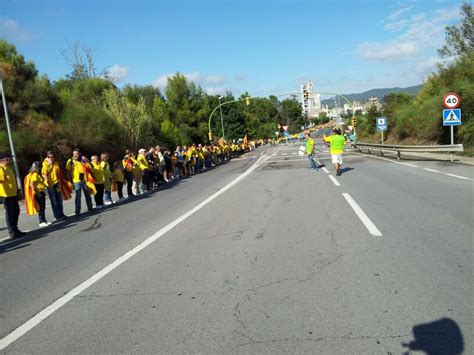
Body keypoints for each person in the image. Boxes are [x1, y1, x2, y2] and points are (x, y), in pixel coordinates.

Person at [0, 152, 24, 238]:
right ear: (5, 159)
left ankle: (15, 229)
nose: (10, 160)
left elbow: (12, 181)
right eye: (9, 158)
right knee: (10, 213)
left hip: (12, 193)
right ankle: (12, 232)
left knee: (16, 211)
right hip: (5, 195)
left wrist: (17, 190)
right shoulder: (1, 169)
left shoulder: (8, 168)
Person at [42, 150, 69, 221]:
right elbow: (44, 173)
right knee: (54, 201)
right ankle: (57, 216)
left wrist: (61, 182)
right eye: (49, 157)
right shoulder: (45, 163)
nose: (50, 158)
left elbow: (59, 173)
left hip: (57, 183)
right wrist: (50, 164)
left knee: (59, 199)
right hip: (50, 184)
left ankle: (61, 214)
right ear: (47, 157)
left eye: (52, 157)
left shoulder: (56, 163)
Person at [66, 148, 94, 215]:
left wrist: (87, 161)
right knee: (78, 196)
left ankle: (90, 208)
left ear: (80, 154)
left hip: (85, 180)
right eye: (74, 154)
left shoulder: (83, 160)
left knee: (87, 195)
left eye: (77, 154)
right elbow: (68, 171)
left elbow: (91, 167)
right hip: (76, 181)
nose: (75, 155)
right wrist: (70, 181)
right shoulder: (70, 161)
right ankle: (77, 211)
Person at [24, 161, 51, 227]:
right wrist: (37, 192)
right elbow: (32, 184)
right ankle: (41, 221)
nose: (39, 167)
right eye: (38, 166)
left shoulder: (36, 174)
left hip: (41, 192)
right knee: (41, 207)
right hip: (39, 192)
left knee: (42, 207)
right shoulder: (35, 174)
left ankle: (43, 220)